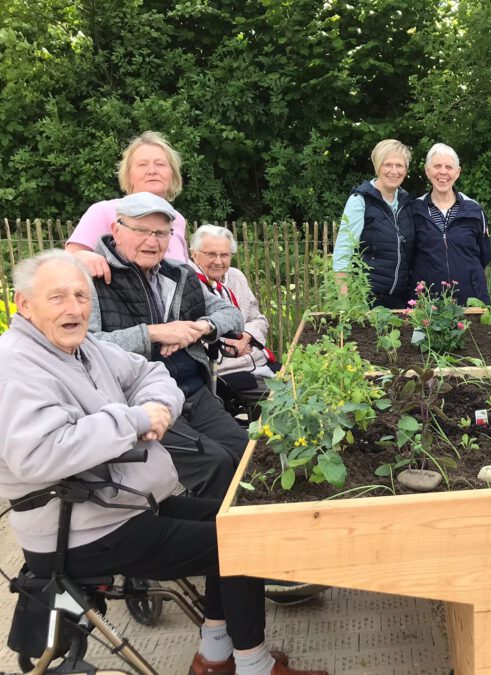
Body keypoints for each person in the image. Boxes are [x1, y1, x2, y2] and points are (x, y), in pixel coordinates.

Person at [0, 250, 325, 675]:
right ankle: (253, 666)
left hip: (124, 505)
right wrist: (135, 420)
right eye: (57, 297)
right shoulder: (15, 365)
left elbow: (150, 374)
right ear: (24, 304)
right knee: (239, 544)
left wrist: (157, 407)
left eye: (81, 296)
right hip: (82, 532)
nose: (74, 309)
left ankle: (214, 657)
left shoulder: (84, 348)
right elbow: (39, 452)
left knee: (241, 520)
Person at [88, 192, 248, 500]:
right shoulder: (93, 277)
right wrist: (154, 333)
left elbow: (232, 315)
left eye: (161, 233)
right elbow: (87, 347)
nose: (152, 241)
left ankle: (235, 524)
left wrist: (199, 328)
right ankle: (210, 529)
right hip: (139, 402)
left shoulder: (180, 273)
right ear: (116, 229)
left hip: (193, 391)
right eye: (142, 230)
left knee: (246, 453)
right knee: (214, 465)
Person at [66, 131, 190, 283]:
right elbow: (68, 261)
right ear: (129, 175)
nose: (152, 171)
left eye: (160, 164)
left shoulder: (177, 220)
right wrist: (81, 257)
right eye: (142, 165)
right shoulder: (103, 212)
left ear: (173, 174)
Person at [189, 225, 278, 416]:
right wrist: (228, 343)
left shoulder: (236, 277)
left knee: (302, 385)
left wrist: (246, 336)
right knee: (283, 400)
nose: (218, 261)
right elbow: (191, 331)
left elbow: (258, 319)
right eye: (211, 254)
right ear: (194, 254)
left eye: (224, 255)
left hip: (256, 359)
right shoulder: (188, 283)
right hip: (224, 370)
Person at [332, 139, 417, 309]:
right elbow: (343, 254)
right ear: (377, 167)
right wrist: (346, 306)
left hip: (400, 300)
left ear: (406, 170)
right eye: (388, 165)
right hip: (367, 300)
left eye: (399, 165)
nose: (394, 171)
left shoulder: (406, 202)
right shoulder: (360, 200)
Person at [410, 143, 491, 304]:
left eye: (449, 167)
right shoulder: (415, 210)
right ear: (427, 171)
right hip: (428, 303)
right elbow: (408, 255)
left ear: (457, 172)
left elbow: (485, 254)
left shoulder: (474, 210)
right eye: (437, 166)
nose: (443, 172)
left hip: (472, 300)